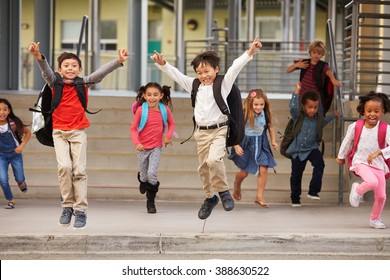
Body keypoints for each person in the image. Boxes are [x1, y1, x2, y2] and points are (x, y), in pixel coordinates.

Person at [151, 36, 262, 220]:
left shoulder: (223, 84)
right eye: (199, 72)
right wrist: (163, 64)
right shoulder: (195, 85)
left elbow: (235, 67)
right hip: (201, 133)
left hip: (219, 130)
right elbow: (177, 76)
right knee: (202, 169)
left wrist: (250, 52)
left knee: (213, 161)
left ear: (216, 69)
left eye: (207, 71)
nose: (203, 75)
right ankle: (210, 198)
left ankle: (224, 192)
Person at [28, 42, 129, 229]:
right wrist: (38, 56)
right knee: (65, 167)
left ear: (80, 69)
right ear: (60, 69)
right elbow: (46, 70)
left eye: (74, 66)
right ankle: (67, 206)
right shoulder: (54, 82)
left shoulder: (84, 83)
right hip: (58, 132)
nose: (70, 68)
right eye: (66, 66)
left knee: (79, 171)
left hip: (78, 132)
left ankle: (80, 210)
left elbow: (100, 73)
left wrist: (118, 61)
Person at [336, 92, 390, 229]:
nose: (372, 114)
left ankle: (375, 219)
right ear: (363, 111)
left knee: (382, 196)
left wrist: (379, 152)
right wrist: (341, 156)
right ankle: (358, 190)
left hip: (378, 165)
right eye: (369, 111)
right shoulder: (356, 126)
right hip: (361, 161)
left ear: (382, 112)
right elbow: (347, 141)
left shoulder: (386, 128)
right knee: (372, 182)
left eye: (376, 111)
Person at [286, 82, 339, 207]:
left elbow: (324, 122)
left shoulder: (318, 118)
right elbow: (293, 107)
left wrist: (334, 116)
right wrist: (297, 91)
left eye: (315, 107)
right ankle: (295, 198)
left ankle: (313, 190)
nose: (312, 110)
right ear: (304, 106)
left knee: (320, 164)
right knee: (296, 175)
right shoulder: (298, 115)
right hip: (298, 150)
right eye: (309, 107)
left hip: (312, 148)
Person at [130, 82, 175, 214]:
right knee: (144, 176)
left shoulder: (164, 110)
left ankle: (151, 201)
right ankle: (142, 180)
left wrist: (168, 136)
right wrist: (136, 143)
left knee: (152, 173)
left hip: (156, 147)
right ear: (144, 95)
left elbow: (171, 124)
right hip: (142, 148)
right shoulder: (140, 110)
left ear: (161, 95)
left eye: (155, 95)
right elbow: (133, 129)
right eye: (149, 95)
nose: (152, 98)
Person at [228, 89, 278, 207]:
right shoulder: (244, 113)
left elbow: (270, 127)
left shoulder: (265, 114)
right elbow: (234, 129)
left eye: (261, 104)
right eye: (256, 104)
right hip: (245, 144)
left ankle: (259, 196)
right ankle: (237, 185)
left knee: (264, 168)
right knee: (244, 173)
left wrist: (274, 141)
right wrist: (236, 145)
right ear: (250, 103)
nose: (259, 107)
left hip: (260, 144)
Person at [286, 40, 341, 115]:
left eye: (319, 53)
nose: (316, 55)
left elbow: (328, 72)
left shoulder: (323, 65)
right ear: (310, 53)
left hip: (316, 98)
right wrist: (296, 65)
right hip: (303, 96)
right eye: (314, 53)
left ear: (322, 54)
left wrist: (333, 80)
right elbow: (288, 70)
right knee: (300, 116)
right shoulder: (304, 62)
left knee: (319, 116)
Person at [0, 98, 31, 209]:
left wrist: (21, 146)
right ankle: (10, 200)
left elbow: (27, 132)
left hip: (15, 154)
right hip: (1, 156)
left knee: (20, 177)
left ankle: (20, 182)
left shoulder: (13, 123)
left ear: (9, 111)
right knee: (2, 179)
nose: (2, 112)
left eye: (5, 109)